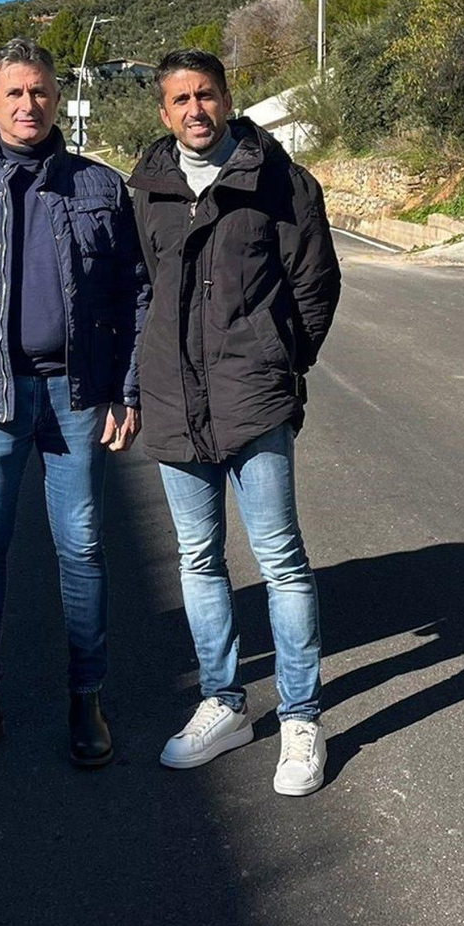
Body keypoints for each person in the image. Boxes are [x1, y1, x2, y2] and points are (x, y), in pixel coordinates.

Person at [0, 36, 149, 771]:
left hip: (76, 396)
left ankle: (87, 698)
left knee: (80, 549)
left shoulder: (100, 187)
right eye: (13, 92)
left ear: (57, 98)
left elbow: (133, 297)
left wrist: (124, 389)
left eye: (40, 91)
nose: (28, 104)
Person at [128, 48, 341, 797]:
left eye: (207, 94)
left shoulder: (279, 179)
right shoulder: (147, 188)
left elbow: (315, 281)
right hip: (172, 400)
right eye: (181, 98)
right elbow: (139, 291)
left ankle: (300, 716)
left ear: (227, 98)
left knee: (281, 559)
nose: (195, 109)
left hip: (255, 400)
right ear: (164, 110)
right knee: (198, 557)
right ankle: (223, 702)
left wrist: (279, 359)